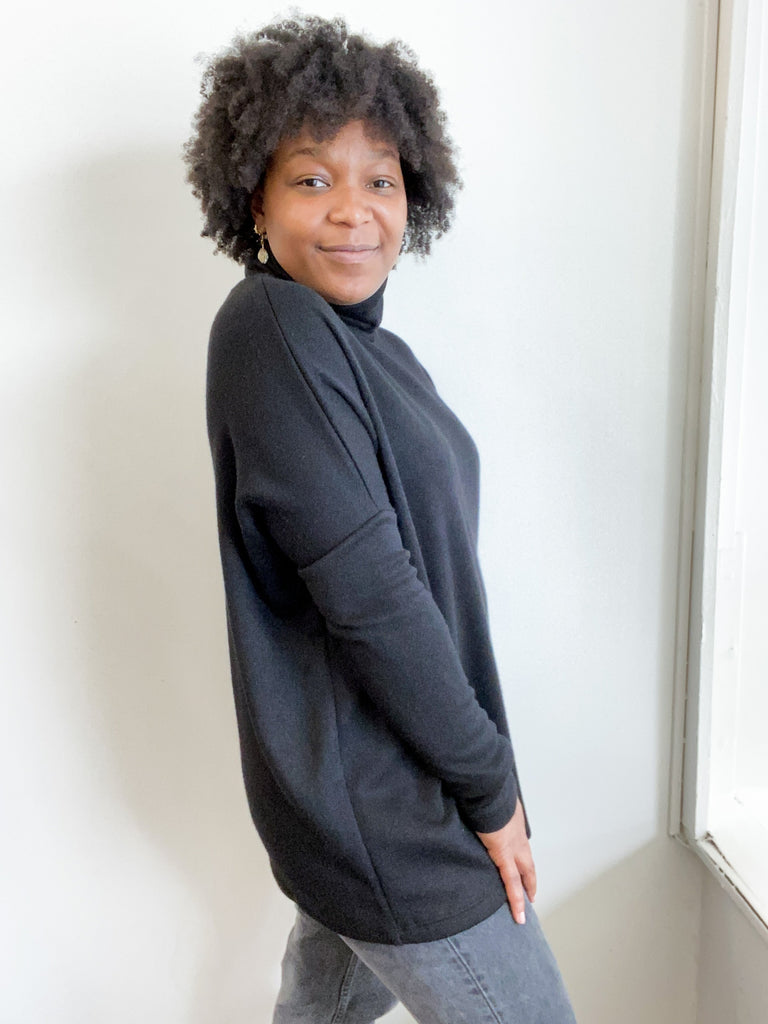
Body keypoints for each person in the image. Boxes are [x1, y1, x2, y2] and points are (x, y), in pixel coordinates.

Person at [185, 14, 578, 1024]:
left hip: (385, 785)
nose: (354, 210)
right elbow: (371, 592)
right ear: (255, 199)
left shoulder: (373, 355)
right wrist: (491, 789)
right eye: (312, 178)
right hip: (395, 812)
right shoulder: (273, 325)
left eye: (382, 180)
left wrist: (481, 776)